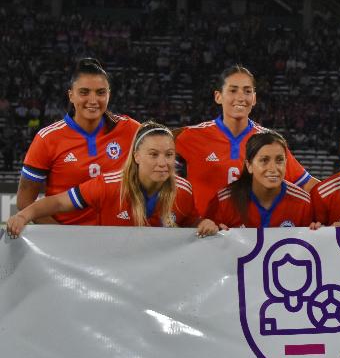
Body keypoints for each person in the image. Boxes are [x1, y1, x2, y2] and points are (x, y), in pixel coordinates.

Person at [7, 122, 215, 237]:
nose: (163, 162)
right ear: (136, 156)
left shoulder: (183, 189)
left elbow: (189, 221)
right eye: (153, 154)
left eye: (169, 155)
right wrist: (23, 216)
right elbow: (58, 202)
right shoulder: (108, 185)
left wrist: (203, 223)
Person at [175, 65, 318, 214]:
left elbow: (306, 184)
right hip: (205, 232)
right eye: (233, 90)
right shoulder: (191, 136)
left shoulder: (268, 140)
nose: (241, 97)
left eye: (247, 91)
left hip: (250, 233)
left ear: (254, 98)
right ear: (218, 96)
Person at [17, 58, 140, 225]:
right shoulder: (47, 138)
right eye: (84, 92)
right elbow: (25, 201)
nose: (93, 100)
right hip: (67, 242)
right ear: (71, 95)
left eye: (100, 92)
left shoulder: (131, 129)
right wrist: (63, 238)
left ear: (109, 94)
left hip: (119, 240)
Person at [200, 130, 316, 230]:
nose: (273, 168)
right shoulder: (223, 202)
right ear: (249, 165)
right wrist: (209, 230)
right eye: (264, 160)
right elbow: (203, 243)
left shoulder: (303, 203)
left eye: (279, 160)